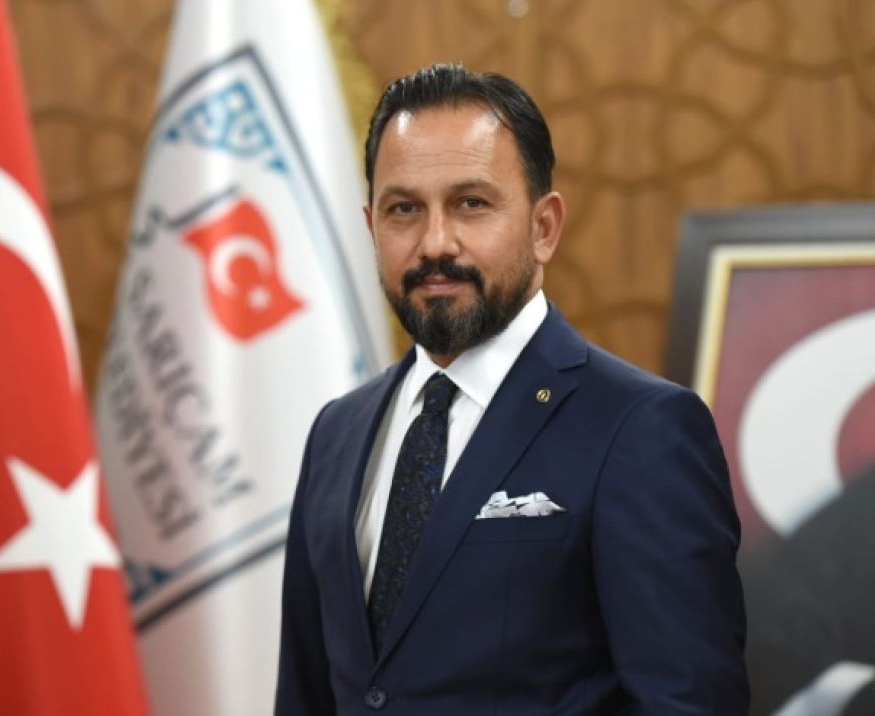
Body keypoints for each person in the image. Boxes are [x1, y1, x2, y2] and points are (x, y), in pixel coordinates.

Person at [275, 65, 749, 714]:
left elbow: (689, 703)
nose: (435, 243)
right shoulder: (336, 433)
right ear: (371, 226)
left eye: (471, 203)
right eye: (403, 209)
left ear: (543, 226)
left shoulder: (641, 429)